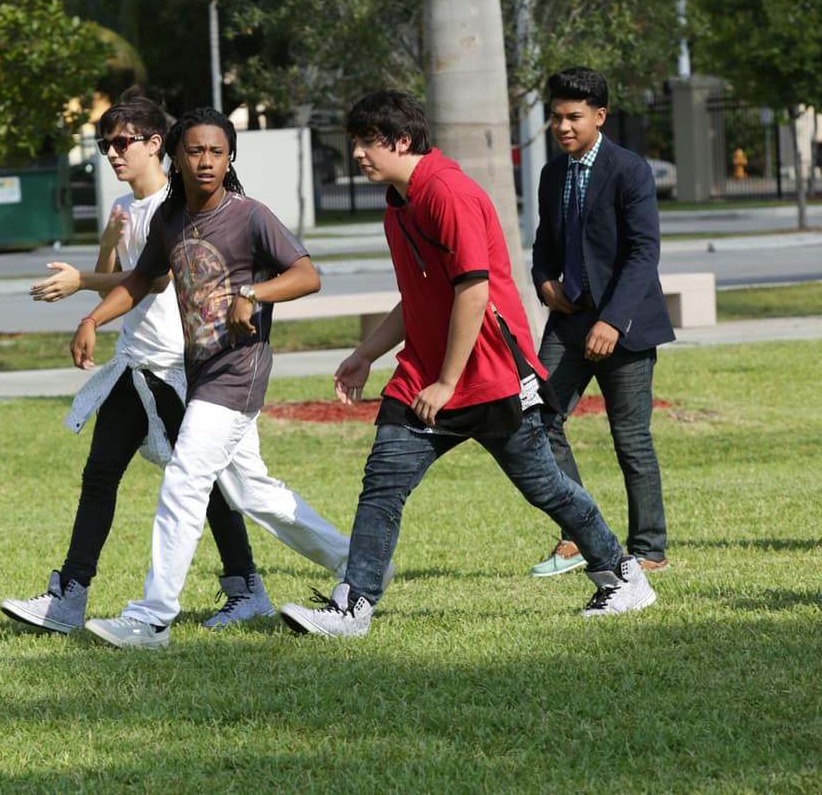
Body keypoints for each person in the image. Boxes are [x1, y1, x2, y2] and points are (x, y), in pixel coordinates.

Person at [278, 91, 656, 638]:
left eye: (367, 142)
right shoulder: (399, 203)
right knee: (383, 482)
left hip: (489, 375)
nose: (357, 153)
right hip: (425, 377)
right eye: (354, 141)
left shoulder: (447, 193)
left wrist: (447, 382)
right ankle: (352, 607)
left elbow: (473, 292)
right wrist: (365, 355)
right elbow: (419, 297)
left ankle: (622, 575)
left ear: (401, 142)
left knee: (545, 487)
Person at [75, 106, 360, 649]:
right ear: (176, 157)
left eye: (217, 152)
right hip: (200, 372)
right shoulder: (171, 220)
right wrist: (92, 319)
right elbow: (141, 280)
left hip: (238, 371)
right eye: (195, 151)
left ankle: (151, 618)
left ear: (230, 159)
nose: (206, 161)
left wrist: (253, 293)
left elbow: (306, 275)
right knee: (252, 492)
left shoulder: (250, 216)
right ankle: (360, 564)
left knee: (185, 480)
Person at [0, 94, 276, 633]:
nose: (112, 153)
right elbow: (119, 278)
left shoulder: (175, 207)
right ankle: (69, 596)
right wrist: (105, 250)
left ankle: (246, 589)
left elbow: (154, 280)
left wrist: (83, 284)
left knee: (207, 484)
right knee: (99, 477)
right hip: (134, 364)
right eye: (106, 145)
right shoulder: (127, 208)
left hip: (174, 368)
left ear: (154, 144)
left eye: (122, 142)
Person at [528, 67, 674, 578]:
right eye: (556, 117)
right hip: (569, 320)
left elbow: (643, 253)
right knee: (538, 418)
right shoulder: (552, 174)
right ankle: (578, 534)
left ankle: (649, 549)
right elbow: (544, 245)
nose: (563, 126)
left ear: (600, 116)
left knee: (630, 439)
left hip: (625, 324)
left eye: (573, 116)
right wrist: (544, 283)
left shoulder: (630, 170)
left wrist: (612, 321)